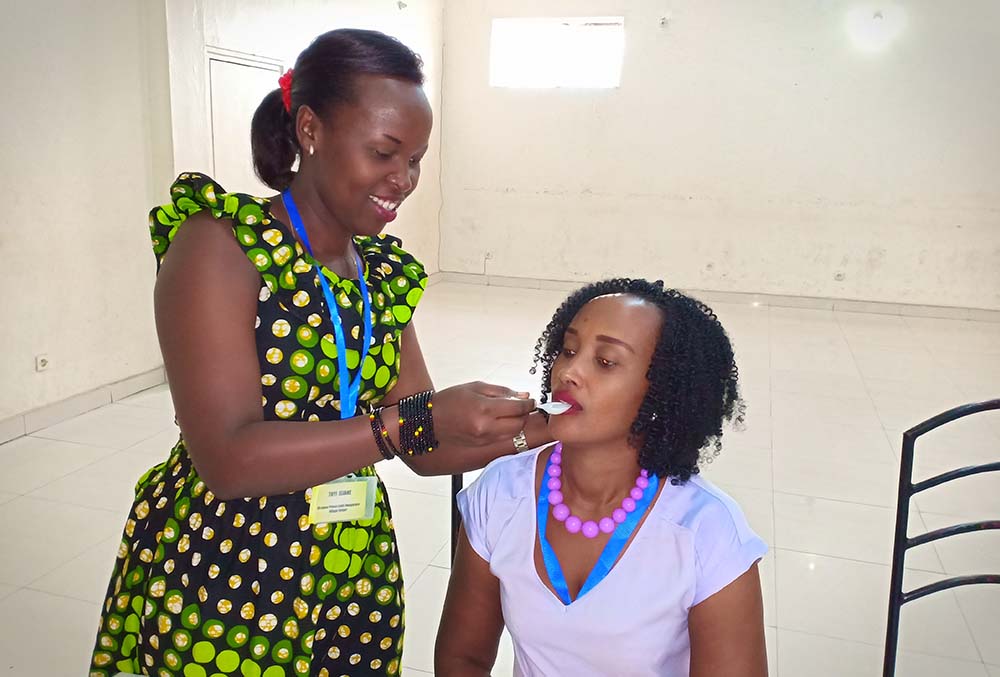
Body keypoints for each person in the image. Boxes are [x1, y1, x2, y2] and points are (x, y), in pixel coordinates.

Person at [89, 28, 549, 677]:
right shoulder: (222, 246)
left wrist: (539, 427)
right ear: (311, 129)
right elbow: (228, 458)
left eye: (416, 158)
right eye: (385, 152)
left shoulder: (378, 273)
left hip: (350, 565)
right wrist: (414, 422)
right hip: (232, 566)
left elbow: (423, 445)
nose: (404, 179)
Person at [435, 279, 769, 677]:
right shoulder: (501, 494)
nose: (570, 372)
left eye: (606, 361)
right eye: (569, 350)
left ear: (662, 394)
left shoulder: (707, 533)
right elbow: (462, 660)